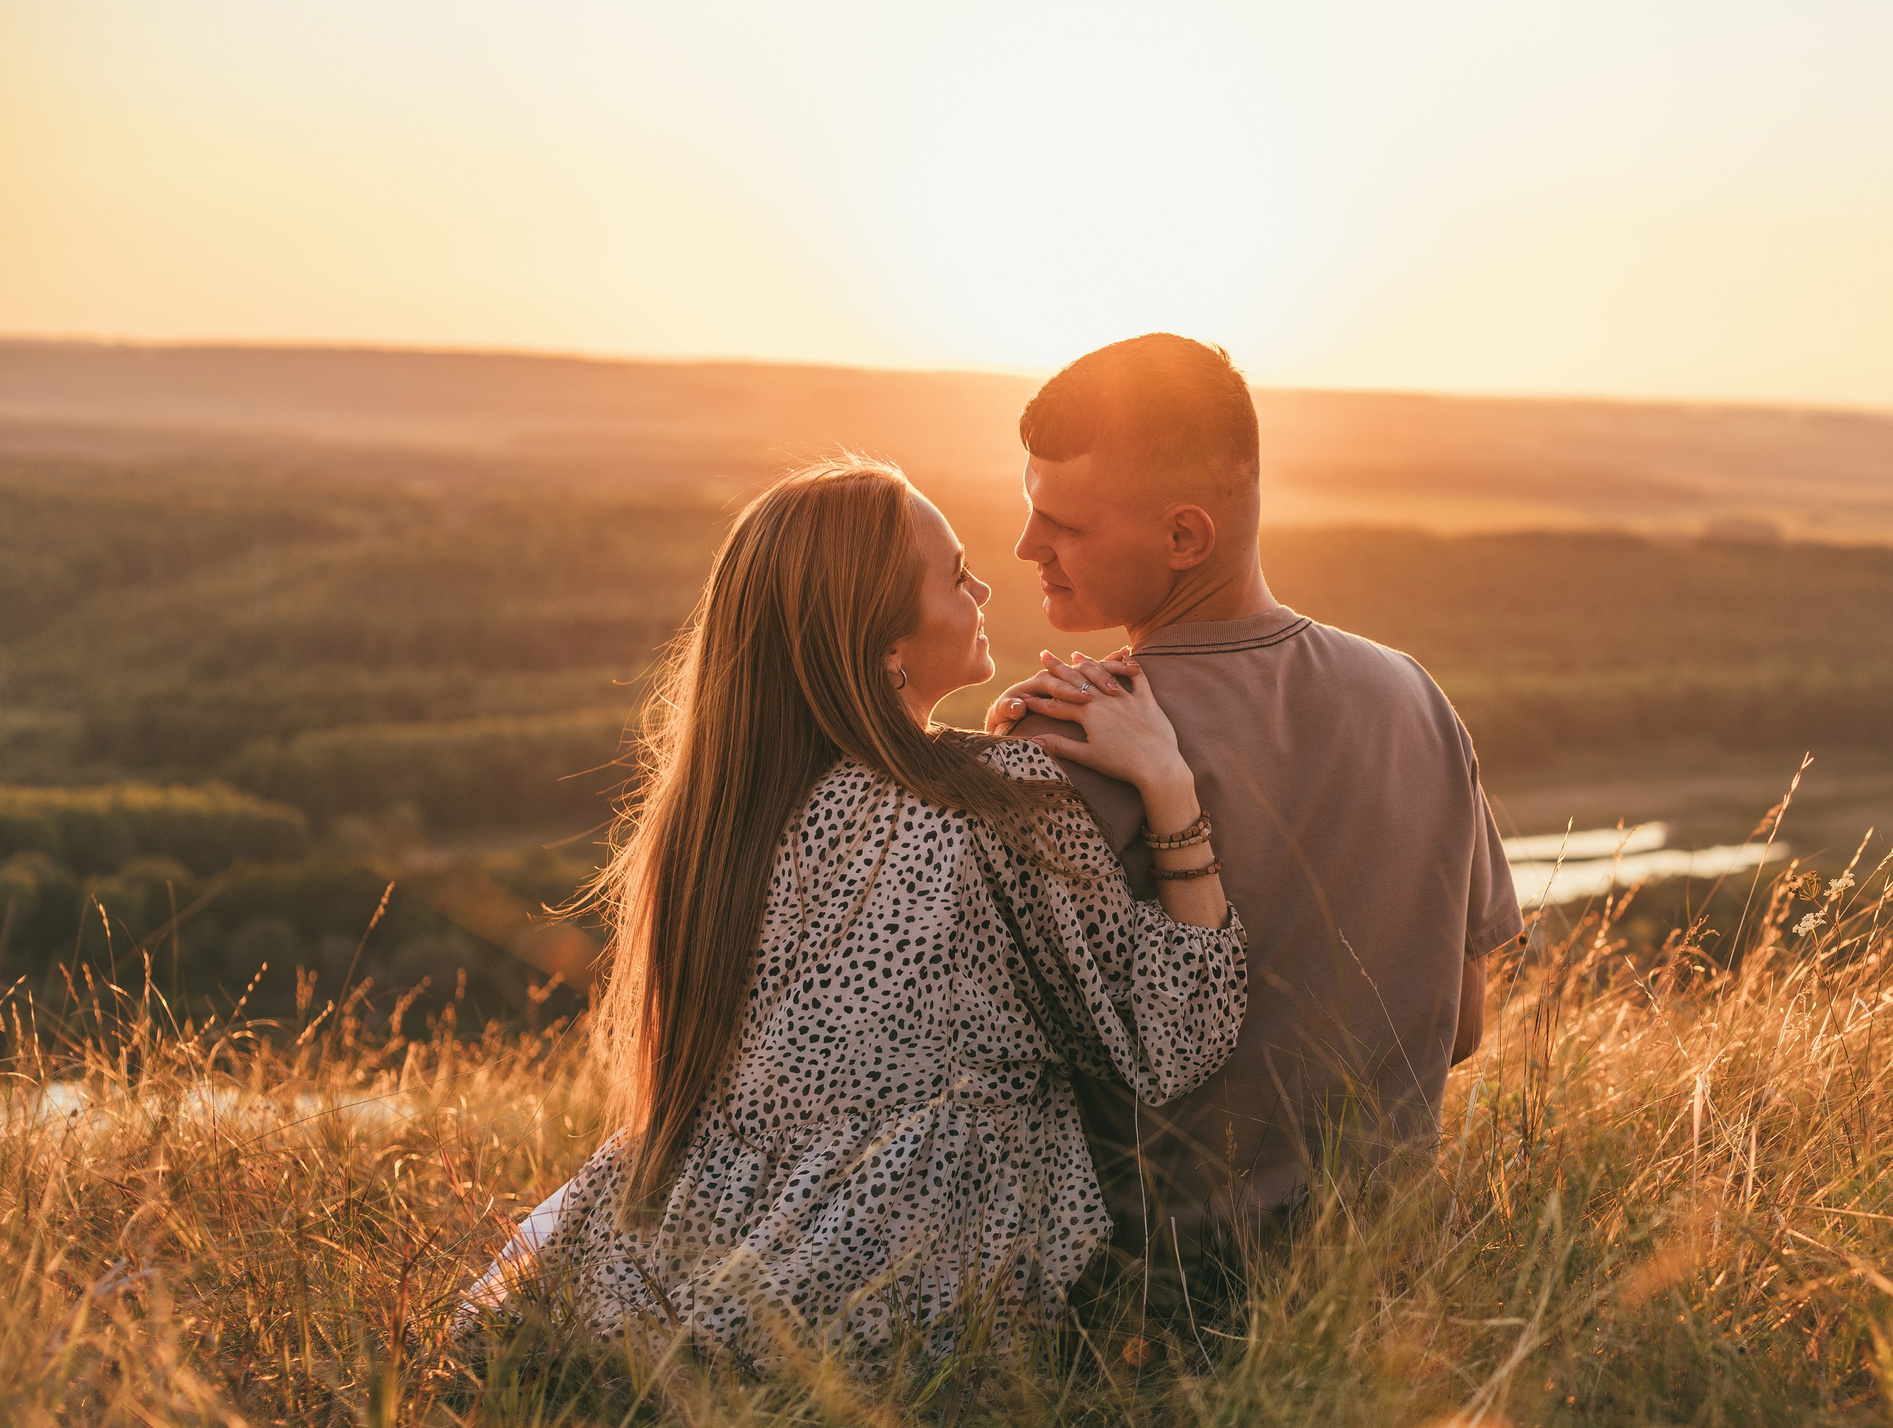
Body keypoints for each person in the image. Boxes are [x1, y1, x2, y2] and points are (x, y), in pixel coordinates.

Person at [467, 455, 1248, 1372]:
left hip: (676, 1256)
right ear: (885, 647)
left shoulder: (719, 820)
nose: (986, 583)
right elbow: (1177, 1038)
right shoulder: (990, 805)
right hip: (901, 1280)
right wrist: (1166, 784)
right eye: (956, 575)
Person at [988, 335, 1522, 1296]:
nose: (1028, 547)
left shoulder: (1064, 735)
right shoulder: (1416, 699)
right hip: (1386, 1282)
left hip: (1137, 1306)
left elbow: (989, 1069)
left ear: (1185, 536)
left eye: (1061, 522)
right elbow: (1463, 1024)